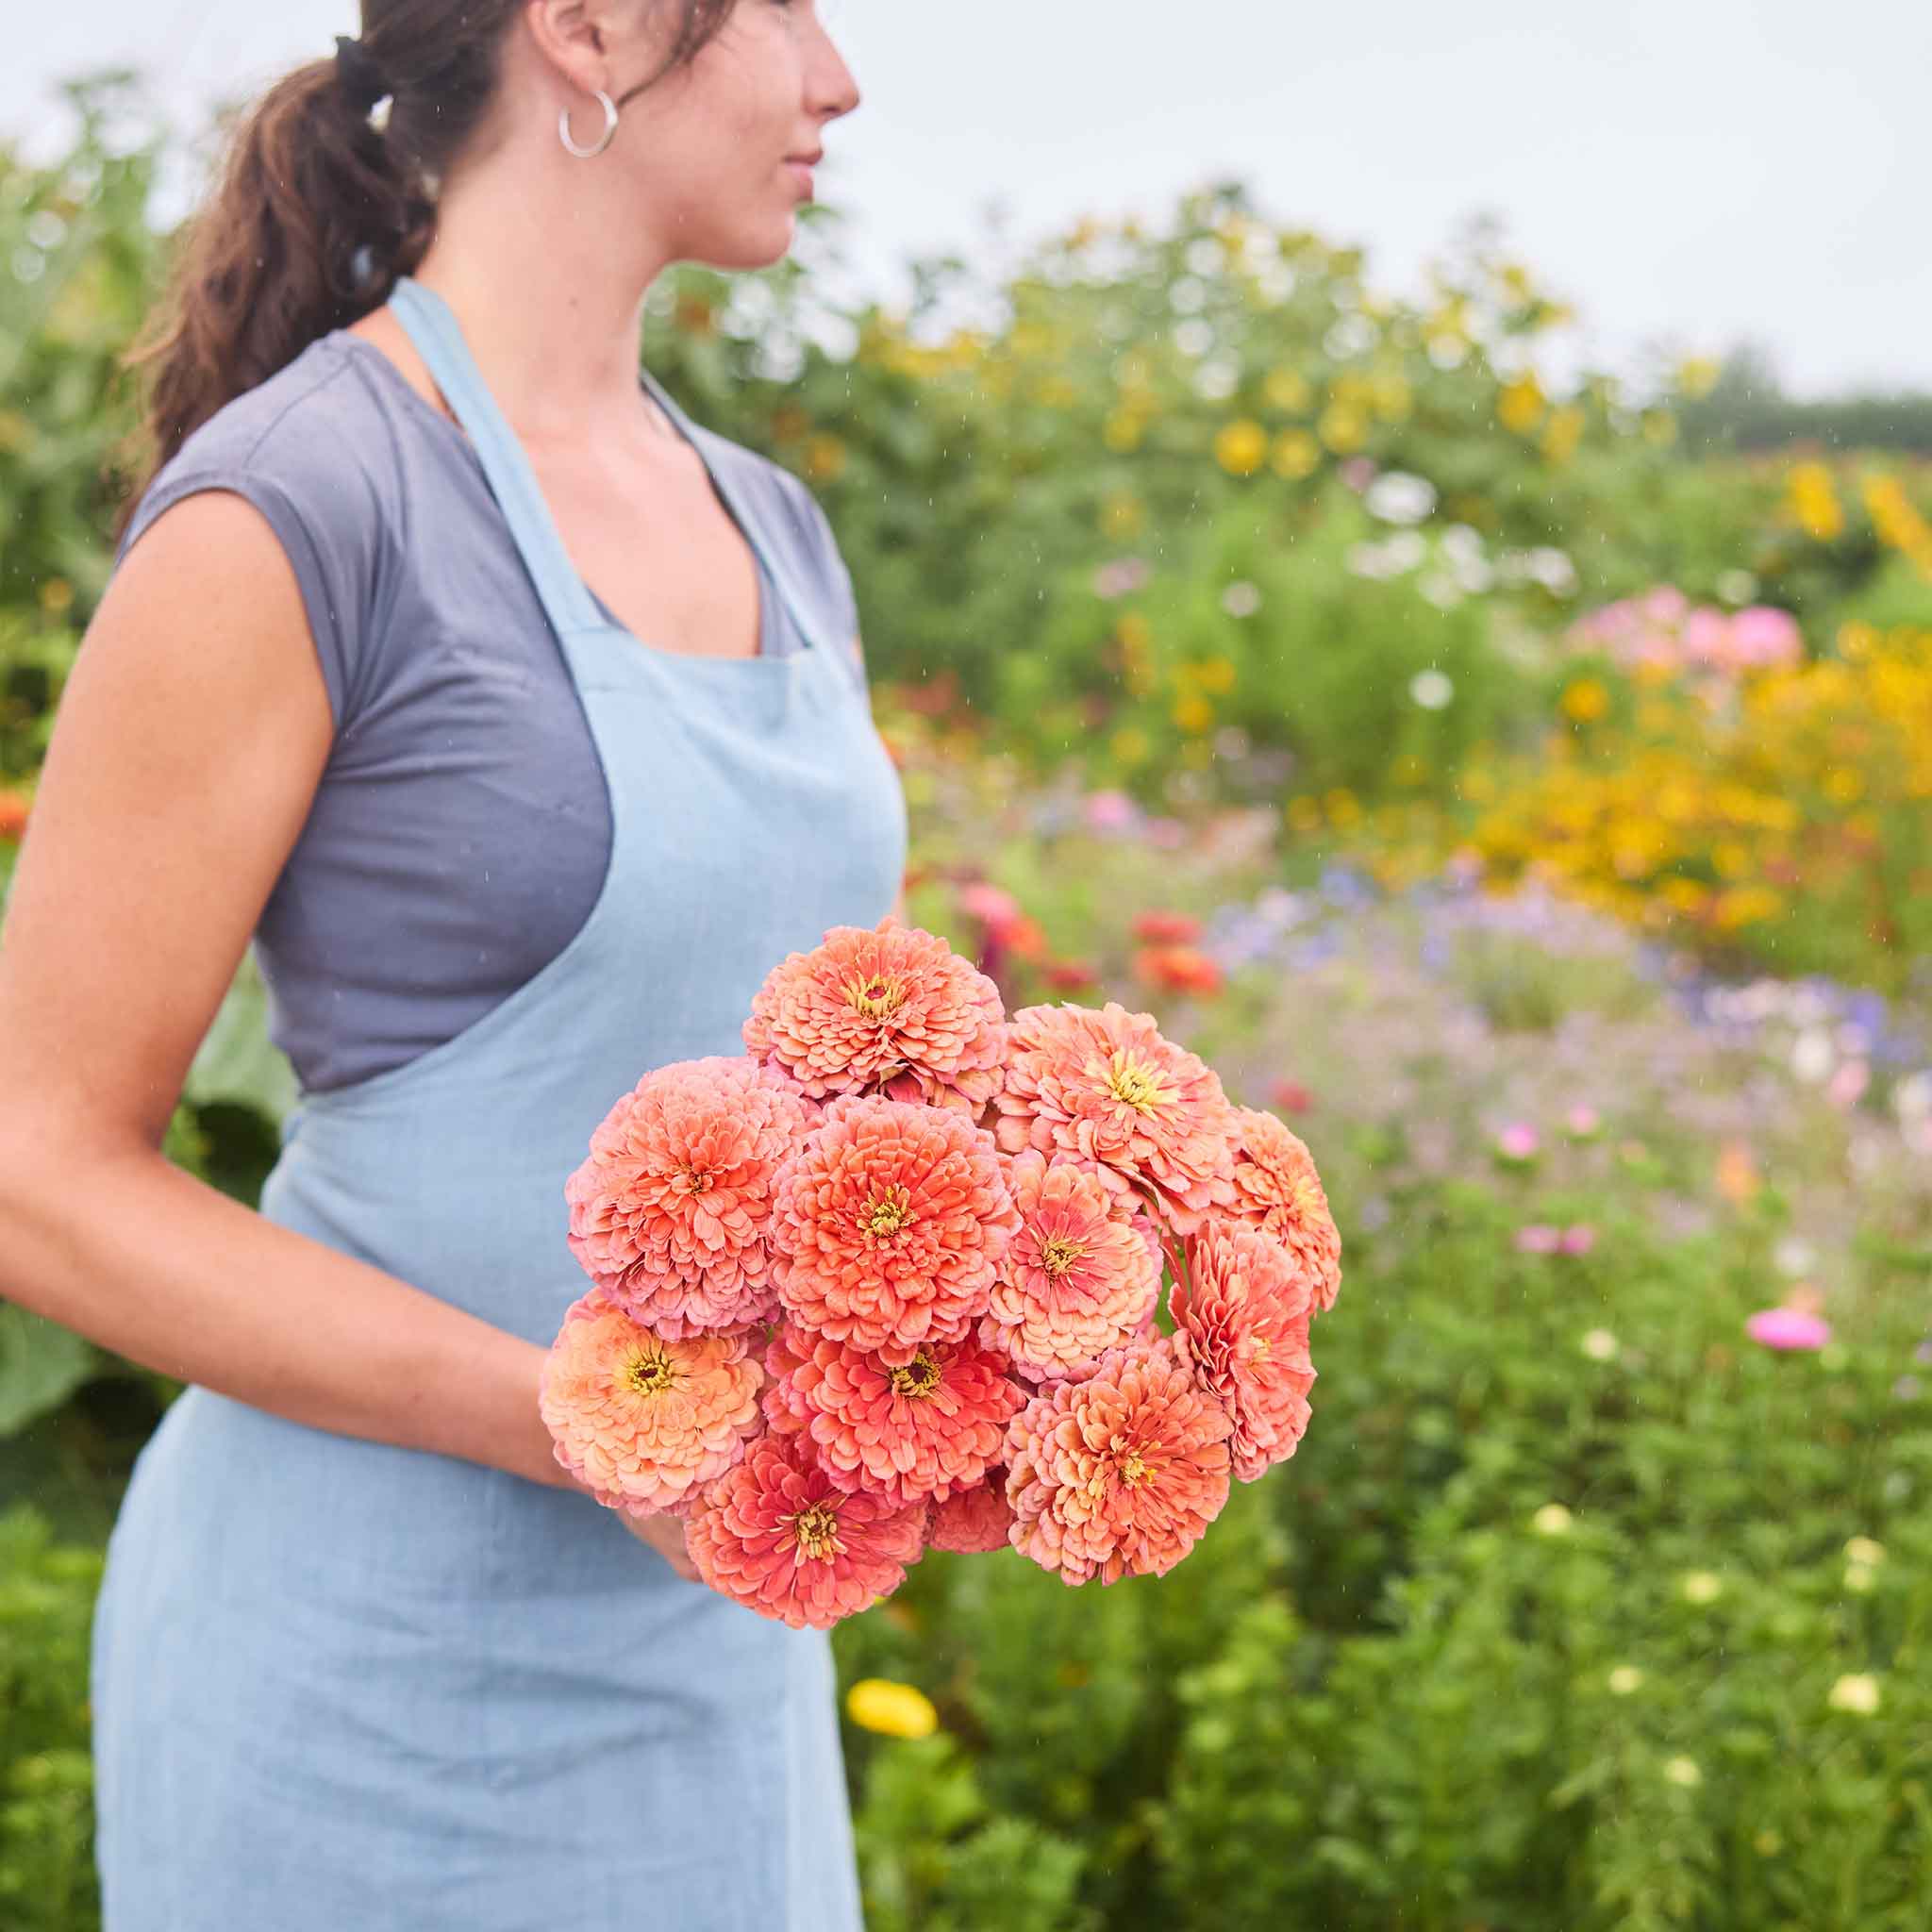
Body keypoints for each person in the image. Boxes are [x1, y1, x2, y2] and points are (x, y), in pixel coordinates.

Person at [0, 2, 904, 1925]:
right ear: (585, 28)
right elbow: (34, 1171)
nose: (838, 80)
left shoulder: (772, 523)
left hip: (718, 1659)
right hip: (367, 1687)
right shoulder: (298, 507)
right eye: (790, 13)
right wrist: (587, 1419)